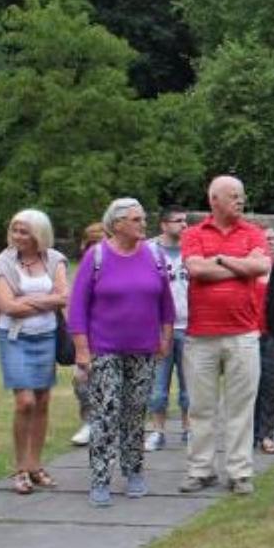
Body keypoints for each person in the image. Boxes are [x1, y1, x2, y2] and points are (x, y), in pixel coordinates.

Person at [69, 199, 175, 507]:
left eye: (143, 218)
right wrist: (82, 350)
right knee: (106, 413)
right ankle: (100, 478)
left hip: (143, 348)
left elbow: (165, 302)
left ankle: (134, 471)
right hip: (104, 349)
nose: (143, 224)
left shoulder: (154, 254)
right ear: (117, 224)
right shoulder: (97, 255)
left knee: (134, 411)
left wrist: (165, 336)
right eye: (136, 219)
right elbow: (77, 307)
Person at [178, 176, 271, 496]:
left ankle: (239, 472)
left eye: (242, 196)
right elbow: (197, 271)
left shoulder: (253, 232)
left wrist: (220, 260)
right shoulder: (193, 234)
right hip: (201, 335)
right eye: (233, 196)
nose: (240, 201)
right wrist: (241, 267)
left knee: (240, 407)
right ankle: (200, 469)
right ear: (213, 199)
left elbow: (261, 266)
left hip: (243, 333)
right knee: (200, 407)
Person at [0, 209, 69, 495]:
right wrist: (46, 300)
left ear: (39, 234)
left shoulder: (54, 259)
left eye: (25, 231)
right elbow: (6, 306)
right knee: (24, 402)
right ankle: (20, 467)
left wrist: (28, 300)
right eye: (15, 230)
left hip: (46, 336)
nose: (18, 236)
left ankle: (36, 465)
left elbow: (64, 296)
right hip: (14, 337)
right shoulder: (4, 261)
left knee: (43, 399)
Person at [145, 207, 190, 451]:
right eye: (178, 221)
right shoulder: (149, 252)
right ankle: (157, 431)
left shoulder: (193, 249)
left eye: (186, 220)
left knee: (189, 387)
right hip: (160, 328)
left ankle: (188, 429)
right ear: (164, 225)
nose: (184, 225)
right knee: (158, 388)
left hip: (189, 325)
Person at [70, 222, 106, 447]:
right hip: (88, 335)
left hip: (113, 333)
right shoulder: (84, 268)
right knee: (81, 381)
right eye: (92, 244)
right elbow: (75, 305)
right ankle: (89, 422)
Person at [253, 226, 274, 456]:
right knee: (249, 387)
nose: (271, 242)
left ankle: (266, 435)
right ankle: (250, 434)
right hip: (250, 334)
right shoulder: (250, 267)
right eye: (267, 238)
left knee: (271, 386)